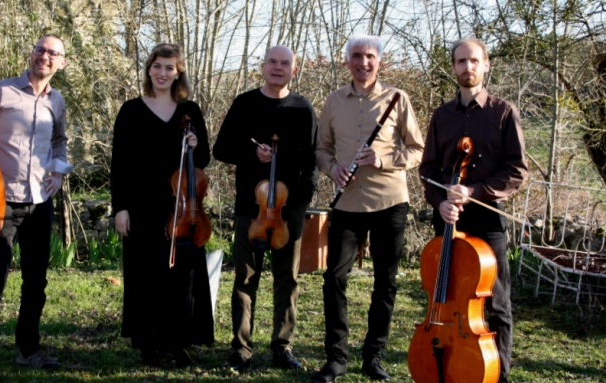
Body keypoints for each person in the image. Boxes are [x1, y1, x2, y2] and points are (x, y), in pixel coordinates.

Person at [311, 35, 424, 382]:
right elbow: (321, 150)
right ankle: (336, 358)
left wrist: (383, 158)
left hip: (389, 201)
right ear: (347, 61)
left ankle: (373, 357)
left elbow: (417, 150)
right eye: (357, 56)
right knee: (334, 278)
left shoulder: (397, 99)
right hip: (346, 202)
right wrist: (332, 169)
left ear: (379, 61)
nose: (363, 62)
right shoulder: (333, 101)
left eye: (370, 56)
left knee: (385, 282)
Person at [0, 34, 72, 369]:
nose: (45, 57)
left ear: (61, 63)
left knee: (36, 283)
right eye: (41, 50)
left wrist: (59, 173)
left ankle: (28, 350)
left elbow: (60, 141)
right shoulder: (2, 89)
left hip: (39, 202)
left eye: (54, 53)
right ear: (31, 53)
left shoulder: (58, 100)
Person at [419, 37, 528, 383]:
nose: (467, 67)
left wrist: (474, 190)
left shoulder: (503, 112)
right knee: (449, 300)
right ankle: (455, 371)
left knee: (495, 304)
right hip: (449, 218)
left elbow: (517, 170)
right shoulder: (442, 115)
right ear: (453, 67)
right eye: (461, 61)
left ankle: (500, 376)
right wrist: (442, 202)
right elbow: (428, 172)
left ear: (486, 65)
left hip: (486, 215)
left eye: (474, 61)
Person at [213, 45, 318, 372]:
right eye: (272, 62)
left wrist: (299, 203)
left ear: (294, 70)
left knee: (287, 278)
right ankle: (241, 348)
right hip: (251, 208)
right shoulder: (245, 103)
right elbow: (221, 148)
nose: (278, 67)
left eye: (285, 63)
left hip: (290, 210)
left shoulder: (303, 108)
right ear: (263, 66)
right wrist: (251, 156)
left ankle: (282, 346)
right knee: (245, 278)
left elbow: (311, 161)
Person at [110, 43, 214, 367]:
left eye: (170, 67)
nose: (162, 73)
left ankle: (180, 341)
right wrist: (121, 208)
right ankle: (149, 342)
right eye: (157, 66)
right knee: (145, 275)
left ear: (178, 72)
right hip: (141, 206)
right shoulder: (130, 110)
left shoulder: (190, 111)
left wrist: (196, 145)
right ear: (148, 70)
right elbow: (120, 164)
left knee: (182, 276)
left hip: (183, 209)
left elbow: (205, 159)